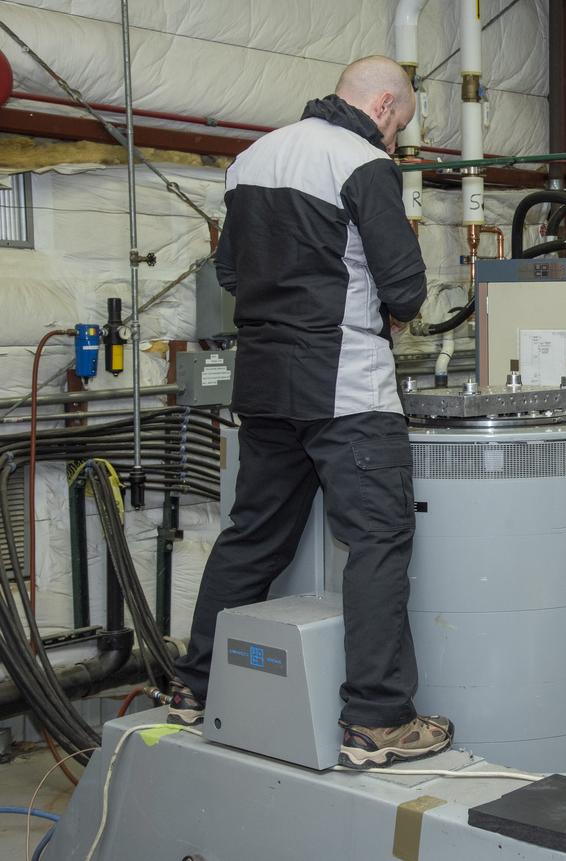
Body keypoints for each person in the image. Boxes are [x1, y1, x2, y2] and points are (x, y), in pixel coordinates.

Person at [169, 56, 453, 770]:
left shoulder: (252, 159)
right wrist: (384, 308)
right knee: (378, 539)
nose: (395, 140)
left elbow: (229, 273)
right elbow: (406, 289)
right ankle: (379, 718)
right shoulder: (362, 162)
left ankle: (194, 685)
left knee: (253, 535)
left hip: (265, 382)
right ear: (383, 106)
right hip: (345, 387)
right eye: (400, 125)